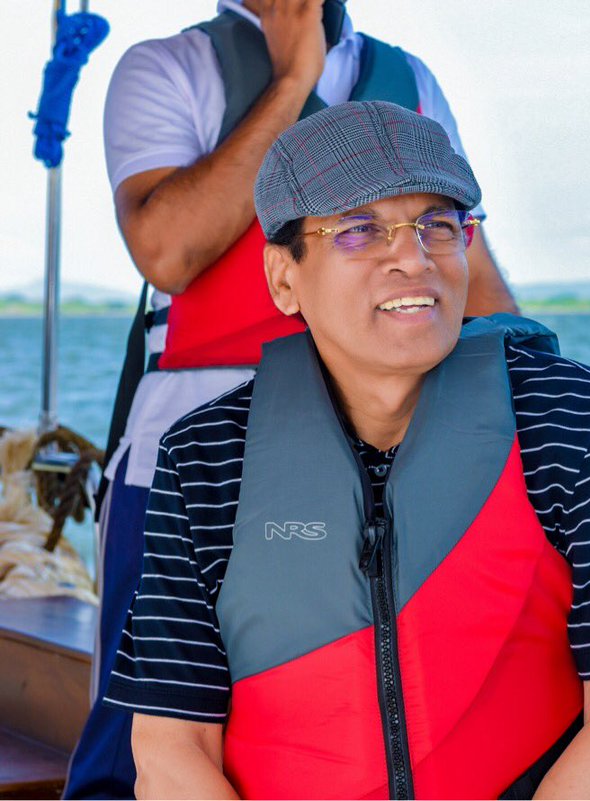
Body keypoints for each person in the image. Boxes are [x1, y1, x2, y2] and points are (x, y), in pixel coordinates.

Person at [102, 100, 590, 799]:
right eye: (358, 230)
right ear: (284, 277)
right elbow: (170, 745)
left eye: (439, 225)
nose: (413, 257)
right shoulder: (207, 458)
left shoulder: (573, 420)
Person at [67, 2, 517, 797]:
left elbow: (466, 273)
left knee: (357, 724)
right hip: (190, 464)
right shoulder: (170, 68)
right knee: (137, 742)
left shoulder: (410, 82)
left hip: (384, 456)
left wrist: (544, 413)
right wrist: (292, 80)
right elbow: (167, 250)